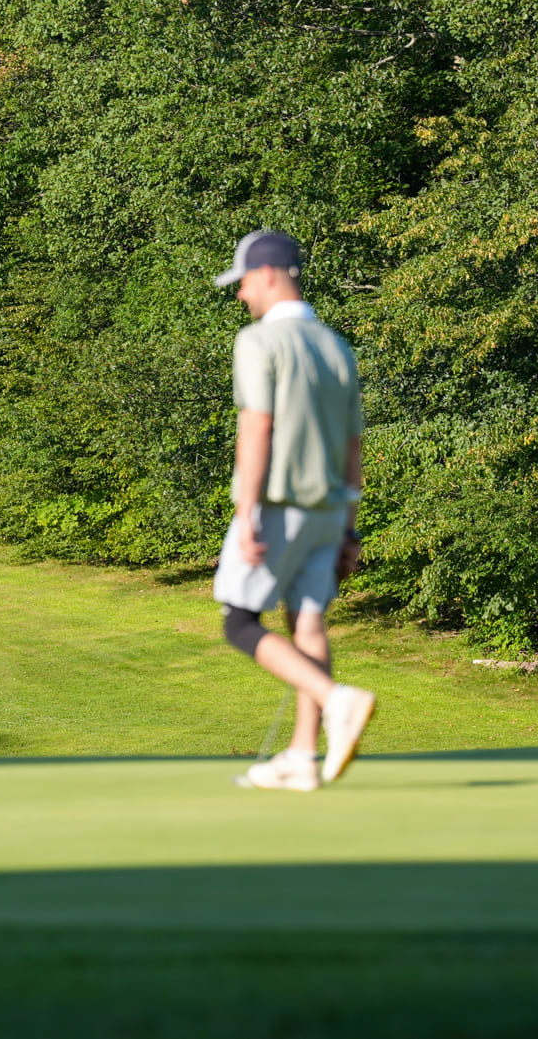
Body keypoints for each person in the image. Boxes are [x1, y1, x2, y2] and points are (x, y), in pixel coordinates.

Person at [211, 230, 376, 792]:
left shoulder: (258, 342)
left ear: (268, 275)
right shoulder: (337, 345)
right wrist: (350, 528)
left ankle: (338, 701)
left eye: (243, 284)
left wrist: (246, 508)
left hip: (280, 505)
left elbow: (257, 425)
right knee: (306, 620)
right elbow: (354, 446)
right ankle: (304, 758)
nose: (240, 297)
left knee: (239, 620)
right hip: (331, 510)